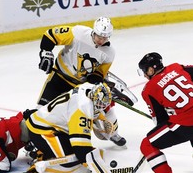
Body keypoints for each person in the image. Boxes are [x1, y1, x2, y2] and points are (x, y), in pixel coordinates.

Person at [36, 16, 126, 146]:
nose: (101, 40)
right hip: (58, 78)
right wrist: (46, 52)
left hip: (79, 87)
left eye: (104, 38)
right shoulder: (78, 33)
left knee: (88, 113)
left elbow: (100, 72)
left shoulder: (109, 53)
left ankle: (111, 132)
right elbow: (50, 35)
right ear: (93, 32)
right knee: (40, 112)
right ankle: (35, 141)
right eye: (99, 36)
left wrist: (95, 78)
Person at [18, 82, 114, 173]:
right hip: (43, 130)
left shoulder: (87, 88)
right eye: (99, 105)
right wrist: (95, 168)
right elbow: (82, 150)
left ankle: (42, 151)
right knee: (71, 163)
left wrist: (101, 118)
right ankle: (35, 172)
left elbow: (92, 107)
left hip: (49, 123)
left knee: (82, 156)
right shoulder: (82, 110)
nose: (100, 108)